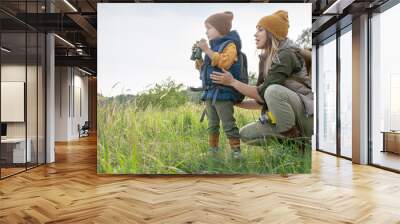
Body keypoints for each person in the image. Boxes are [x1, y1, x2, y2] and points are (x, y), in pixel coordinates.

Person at [210, 10, 313, 146]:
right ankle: (290, 140)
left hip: (306, 116)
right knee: (245, 134)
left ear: (272, 33)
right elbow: (261, 101)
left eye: (260, 30)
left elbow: (264, 93)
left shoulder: (286, 54)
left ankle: (297, 144)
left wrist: (232, 82)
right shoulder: (265, 59)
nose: (255, 34)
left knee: (272, 91)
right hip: (287, 117)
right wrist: (234, 102)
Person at [194, 11, 244, 158]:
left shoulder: (230, 45)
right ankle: (213, 150)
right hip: (210, 92)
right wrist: (198, 57)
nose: (206, 32)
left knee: (228, 123)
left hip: (223, 92)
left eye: (209, 28)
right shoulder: (212, 47)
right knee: (212, 124)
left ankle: (236, 152)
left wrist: (207, 50)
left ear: (220, 28)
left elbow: (225, 62)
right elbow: (202, 68)